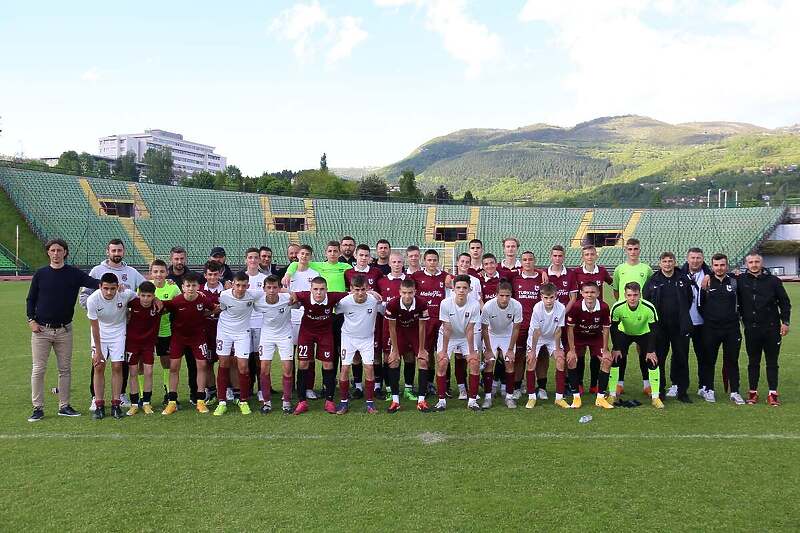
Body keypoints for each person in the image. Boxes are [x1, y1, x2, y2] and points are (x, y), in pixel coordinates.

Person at [27, 238, 99, 422]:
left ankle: (64, 406)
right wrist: (31, 320)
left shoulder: (74, 274)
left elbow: (95, 282)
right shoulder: (41, 274)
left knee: (65, 369)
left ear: (65, 252)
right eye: (53, 250)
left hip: (64, 330)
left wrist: (114, 283)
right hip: (41, 330)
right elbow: (31, 299)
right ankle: (38, 408)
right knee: (38, 369)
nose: (56, 253)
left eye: (60, 250)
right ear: (48, 252)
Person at [81, 238, 146, 411]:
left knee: (120, 364)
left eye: (119, 250)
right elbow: (83, 296)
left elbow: (145, 289)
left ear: (124, 251)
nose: (116, 253)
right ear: (107, 251)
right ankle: (96, 398)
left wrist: (164, 283)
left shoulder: (131, 272)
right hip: (101, 324)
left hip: (122, 326)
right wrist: (100, 306)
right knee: (98, 363)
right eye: (113, 250)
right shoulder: (97, 271)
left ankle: (120, 396)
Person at [738, 253, 791, 406]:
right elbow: (719, 274)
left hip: (772, 329)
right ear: (746, 263)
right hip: (751, 329)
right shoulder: (740, 280)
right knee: (753, 362)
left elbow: (785, 302)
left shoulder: (773, 281)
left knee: (772, 362)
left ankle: (772, 393)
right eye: (750, 262)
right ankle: (752, 393)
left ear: (761, 263)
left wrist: (785, 322)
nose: (754, 264)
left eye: (756, 262)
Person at [292, 277, 349, 415]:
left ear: (326, 290)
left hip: (325, 334)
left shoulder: (333, 296)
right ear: (311, 289)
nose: (319, 292)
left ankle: (329, 401)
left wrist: (371, 293)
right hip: (307, 333)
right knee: (303, 363)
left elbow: (352, 293)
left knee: (328, 364)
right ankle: (302, 401)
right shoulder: (304, 296)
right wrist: (292, 296)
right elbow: (289, 294)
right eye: (316, 289)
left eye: (322, 289)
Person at [643, 252, 695, 403]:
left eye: (670, 261)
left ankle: (682, 391)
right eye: (664, 261)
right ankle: (659, 391)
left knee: (681, 358)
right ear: (660, 263)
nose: (667, 264)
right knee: (659, 359)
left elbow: (689, 299)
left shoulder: (683, 279)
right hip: (660, 328)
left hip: (680, 327)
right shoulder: (653, 281)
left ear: (674, 262)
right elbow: (646, 301)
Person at [161, 272, 215, 415]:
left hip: (198, 338)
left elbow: (215, 308)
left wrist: (205, 315)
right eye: (188, 285)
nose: (191, 288)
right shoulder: (176, 301)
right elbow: (162, 308)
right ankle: (172, 401)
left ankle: (200, 401)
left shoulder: (203, 300)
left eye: (193, 285)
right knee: (174, 367)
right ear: (183, 287)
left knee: (202, 365)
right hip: (178, 338)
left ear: (198, 286)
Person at [212, 272, 265, 416]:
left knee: (243, 366)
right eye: (238, 285)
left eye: (244, 286)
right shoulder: (224, 295)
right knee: (223, 364)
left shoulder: (253, 294)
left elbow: (273, 289)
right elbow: (219, 308)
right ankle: (222, 401)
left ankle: (243, 400)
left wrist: (290, 293)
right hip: (224, 332)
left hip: (242, 333)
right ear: (233, 284)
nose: (241, 289)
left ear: (248, 286)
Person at [87, 273, 138, 419]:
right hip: (100, 334)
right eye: (106, 288)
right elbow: (94, 327)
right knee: (99, 366)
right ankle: (99, 404)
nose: (109, 292)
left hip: (118, 333)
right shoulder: (93, 300)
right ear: (100, 287)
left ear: (118, 287)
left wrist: (157, 300)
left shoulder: (125, 294)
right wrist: (97, 351)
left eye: (112, 288)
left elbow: (142, 298)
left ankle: (116, 404)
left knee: (117, 366)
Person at [698, 254, 744, 405]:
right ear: (712, 266)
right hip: (711, 329)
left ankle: (735, 392)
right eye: (716, 265)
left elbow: (742, 303)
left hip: (731, 329)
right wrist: (711, 319)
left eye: (722, 265)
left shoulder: (734, 281)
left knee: (732, 361)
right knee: (709, 361)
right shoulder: (706, 282)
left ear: (727, 265)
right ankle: (709, 390)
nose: (719, 268)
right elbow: (700, 305)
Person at [608, 282, 662, 409]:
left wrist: (651, 350)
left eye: (635, 295)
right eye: (629, 295)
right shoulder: (618, 307)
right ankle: (613, 392)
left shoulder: (649, 307)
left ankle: (655, 396)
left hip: (644, 334)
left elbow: (654, 329)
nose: (632, 298)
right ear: (625, 295)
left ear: (640, 295)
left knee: (652, 360)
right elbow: (614, 328)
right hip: (624, 333)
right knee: (616, 358)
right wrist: (616, 348)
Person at [568, 245, 613, 395]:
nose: (589, 256)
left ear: (596, 256)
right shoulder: (576, 272)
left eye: (592, 254)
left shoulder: (602, 271)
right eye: (586, 254)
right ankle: (579, 383)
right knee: (579, 355)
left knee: (595, 356)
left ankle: (594, 384)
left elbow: (614, 283)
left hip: (597, 318)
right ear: (583, 257)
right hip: (580, 319)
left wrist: (620, 297)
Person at [335, 275, 383, 414]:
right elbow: (334, 311)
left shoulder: (374, 300)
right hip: (348, 338)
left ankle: (370, 403)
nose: (360, 293)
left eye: (363, 289)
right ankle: (344, 403)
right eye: (357, 289)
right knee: (344, 368)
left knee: (369, 368)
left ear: (368, 288)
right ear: (351, 289)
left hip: (367, 339)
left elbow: (386, 309)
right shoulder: (344, 302)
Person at [435, 275, 481, 412]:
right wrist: (443, 351)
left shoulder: (474, 304)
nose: (461, 290)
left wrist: (472, 352)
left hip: (465, 336)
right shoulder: (445, 303)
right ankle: (441, 400)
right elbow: (447, 328)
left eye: (464, 288)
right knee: (442, 362)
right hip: (447, 336)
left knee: (474, 363)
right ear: (453, 289)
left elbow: (470, 329)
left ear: (470, 289)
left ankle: (472, 401)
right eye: (458, 287)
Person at [345, 244, 385, 398]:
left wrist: (373, 294)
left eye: (366, 255)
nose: (363, 258)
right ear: (356, 256)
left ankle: (376, 386)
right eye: (360, 255)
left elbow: (380, 295)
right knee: (355, 355)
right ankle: (358, 387)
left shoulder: (376, 272)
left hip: (372, 319)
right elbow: (345, 293)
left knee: (375, 354)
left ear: (370, 257)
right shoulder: (348, 272)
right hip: (353, 319)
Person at [563, 282, 611, 409]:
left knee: (607, 360)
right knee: (571, 359)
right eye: (587, 292)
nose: (589, 295)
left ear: (598, 293)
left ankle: (600, 397)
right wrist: (572, 350)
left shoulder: (604, 307)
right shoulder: (576, 307)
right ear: (582, 293)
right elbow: (570, 329)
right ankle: (576, 397)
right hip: (578, 337)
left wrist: (605, 350)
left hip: (596, 337)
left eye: (593, 292)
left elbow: (606, 329)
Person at [384, 278, 429, 412]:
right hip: (399, 332)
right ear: (399, 292)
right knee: (393, 361)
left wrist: (421, 350)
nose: (407, 296)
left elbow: (422, 327)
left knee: (423, 361)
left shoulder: (422, 303)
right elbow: (391, 328)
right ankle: (395, 401)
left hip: (415, 332)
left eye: (410, 292)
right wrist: (395, 351)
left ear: (415, 291)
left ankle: (421, 400)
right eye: (404, 293)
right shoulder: (392, 304)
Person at [255, 275, 297, 414]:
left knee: (287, 368)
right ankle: (267, 402)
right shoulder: (258, 301)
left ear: (280, 288)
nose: (272, 291)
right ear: (264, 288)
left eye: (275, 287)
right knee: (264, 368)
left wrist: (292, 294)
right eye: (269, 287)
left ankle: (286, 401)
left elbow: (299, 302)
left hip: (285, 335)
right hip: (267, 336)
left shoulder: (287, 299)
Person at [411, 250, 450, 396]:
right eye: (429, 260)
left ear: (438, 261)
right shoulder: (416, 276)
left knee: (440, 353)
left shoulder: (444, 276)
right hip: (424, 321)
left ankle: (440, 385)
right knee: (424, 352)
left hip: (440, 321)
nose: (432, 263)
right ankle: (425, 383)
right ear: (424, 261)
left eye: (434, 260)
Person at [124, 281, 165, 416]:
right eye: (143, 295)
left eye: (149, 296)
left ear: (153, 296)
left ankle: (146, 402)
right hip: (132, 344)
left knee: (148, 372)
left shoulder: (158, 306)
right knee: (134, 372)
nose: (146, 299)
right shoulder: (132, 303)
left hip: (148, 345)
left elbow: (175, 305)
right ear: (138, 294)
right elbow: (118, 303)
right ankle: (135, 404)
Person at [481, 281, 523, 409]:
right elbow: (484, 329)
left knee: (509, 362)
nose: (504, 299)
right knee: (490, 362)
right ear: (496, 295)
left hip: (507, 335)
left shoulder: (517, 306)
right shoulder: (488, 306)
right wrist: (488, 350)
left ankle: (509, 397)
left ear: (511, 295)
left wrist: (510, 349)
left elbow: (516, 329)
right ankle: (488, 397)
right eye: (502, 295)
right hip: (491, 334)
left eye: (507, 296)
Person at [377, 253, 412, 400]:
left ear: (403, 263)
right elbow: (377, 302)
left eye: (399, 262)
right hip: (388, 325)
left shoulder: (410, 281)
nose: (397, 264)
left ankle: (409, 389)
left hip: (407, 326)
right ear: (389, 264)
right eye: (394, 262)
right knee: (388, 357)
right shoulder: (382, 282)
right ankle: (391, 389)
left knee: (409, 356)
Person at [287, 244, 321, 399]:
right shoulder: (290, 273)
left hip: (308, 317)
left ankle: (308, 387)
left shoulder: (314, 273)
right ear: (298, 255)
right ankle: (293, 386)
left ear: (310, 256)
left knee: (308, 355)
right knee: (291, 354)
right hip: (290, 318)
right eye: (302, 253)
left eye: (307, 254)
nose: (304, 256)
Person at [526, 283, 566, 409]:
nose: (549, 301)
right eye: (546, 298)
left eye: (552, 297)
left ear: (556, 296)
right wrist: (532, 350)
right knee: (531, 360)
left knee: (560, 360)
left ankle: (559, 398)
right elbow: (536, 331)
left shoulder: (561, 308)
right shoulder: (537, 308)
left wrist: (558, 349)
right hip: (536, 338)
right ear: (541, 297)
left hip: (552, 337)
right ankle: (531, 397)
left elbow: (559, 330)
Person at [148, 259, 182, 406]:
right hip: (148, 333)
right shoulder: (144, 288)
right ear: (151, 273)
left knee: (166, 364)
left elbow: (181, 306)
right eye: (155, 271)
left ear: (167, 273)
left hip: (166, 332)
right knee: (144, 365)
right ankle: (143, 397)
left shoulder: (173, 289)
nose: (159, 274)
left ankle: (169, 394)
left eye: (162, 271)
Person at [512, 251, 543, 400]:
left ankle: (541, 387)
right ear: (521, 262)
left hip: (537, 325)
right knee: (519, 356)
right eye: (524, 260)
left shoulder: (542, 279)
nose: (528, 262)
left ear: (534, 261)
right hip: (520, 325)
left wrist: (541, 272)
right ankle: (517, 386)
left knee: (539, 356)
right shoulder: (515, 278)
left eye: (530, 259)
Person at [680, 247, 711, 398]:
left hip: (702, 322)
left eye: (698, 258)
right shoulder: (679, 274)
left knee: (703, 356)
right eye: (692, 258)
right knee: (680, 355)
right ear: (687, 259)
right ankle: (678, 385)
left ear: (703, 259)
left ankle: (704, 386)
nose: (695, 260)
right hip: (684, 322)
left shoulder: (709, 274)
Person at [450, 253, 482, 400]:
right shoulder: (450, 279)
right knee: (459, 358)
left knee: (473, 357)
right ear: (457, 262)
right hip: (456, 324)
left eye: (467, 262)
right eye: (462, 261)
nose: (464, 263)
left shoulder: (475, 281)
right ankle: (462, 388)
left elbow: (479, 300)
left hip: (473, 324)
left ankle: (473, 390)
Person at [240, 248, 267, 402]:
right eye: (250, 257)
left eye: (256, 257)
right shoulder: (241, 279)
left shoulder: (264, 278)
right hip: (243, 323)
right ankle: (247, 387)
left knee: (259, 357)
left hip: (260, 322)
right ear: (246, 260)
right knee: (245, 357)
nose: (253, 260)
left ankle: (262, 389)